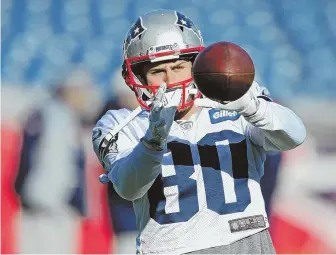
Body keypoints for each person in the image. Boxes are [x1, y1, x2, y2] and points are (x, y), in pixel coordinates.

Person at [92, 10, 306, 254]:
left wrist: (253, 107)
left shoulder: (235, 103)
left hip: (248, 243)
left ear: (196, 65)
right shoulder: (118, 124)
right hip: (171, 248)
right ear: (137, 77)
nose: (170, 79)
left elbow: (295, 136)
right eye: (157, 71)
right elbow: (129, 187)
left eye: (178, 66)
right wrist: (153, 140)